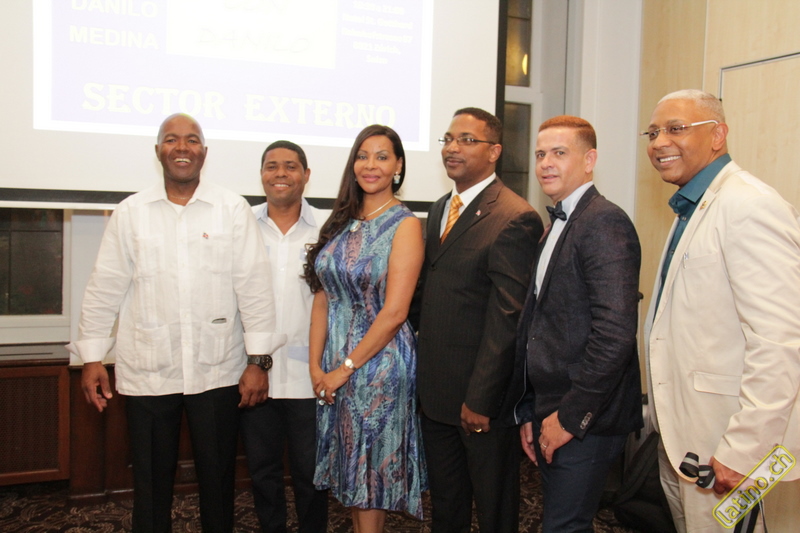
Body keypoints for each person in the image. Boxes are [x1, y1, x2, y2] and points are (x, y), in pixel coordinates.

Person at [67, 114, 286, 533]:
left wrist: (259, 360)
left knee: (219, 480)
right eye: (171, 139)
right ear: (158, 151)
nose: (182, 147)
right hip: (149, 370)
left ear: (204, 152)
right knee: (150, 482)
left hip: (218, 370)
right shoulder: (131, 213)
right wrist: (92, 357)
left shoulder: (231, 209)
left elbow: (254, 287)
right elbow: (104, 287)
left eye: (192, 140)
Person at [643, 89, 800, 532]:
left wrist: (745, 450)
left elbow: (780, 340)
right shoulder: (692, 205)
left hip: (728, 448)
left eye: (676, 129)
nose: (659, 142)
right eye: (652, 133)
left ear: (717, 135)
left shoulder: (750, 205)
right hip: (684, 439)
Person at [414, 107, 543, 533]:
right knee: (446, 505)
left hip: (480, 401)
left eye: (467, 140)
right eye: (449, 138)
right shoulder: (440, 209)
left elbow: (509, 317)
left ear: (494, 152)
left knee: (494, 510)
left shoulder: (514, 216)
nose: (453, 148)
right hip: (436, 396)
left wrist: (481, 400)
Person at [511, 116, 643, 532]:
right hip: (550, 406)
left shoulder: (604, 221)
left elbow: (615, 334)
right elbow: (540, 325)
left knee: (564, 526)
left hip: (586, 416)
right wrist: (531, 410)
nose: (546, 163)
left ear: (589, 160)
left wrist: (569, 417)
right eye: (540, 154)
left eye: (559, 153)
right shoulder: (558, 223)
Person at [303, 124, 426, 533]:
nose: (370, 165)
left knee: (369, 480)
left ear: (398, 166)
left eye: (382, 156)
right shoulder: (341, 220)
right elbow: (323, 297)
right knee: (352, 476)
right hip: (336, 367)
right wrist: (316, 367)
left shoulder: (405, 224)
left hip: (378, 367)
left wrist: (345, 368)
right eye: (363, 155)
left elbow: (395, 312)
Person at [240, 140, 328, 533]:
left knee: (312, 475)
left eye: (290, 166)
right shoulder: (242, 225)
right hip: (253, 373)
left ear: (306, 175)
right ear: (261, 175)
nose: (280, 173)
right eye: (271, 166)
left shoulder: (328, 228)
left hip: (310, 375)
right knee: (263, 472)